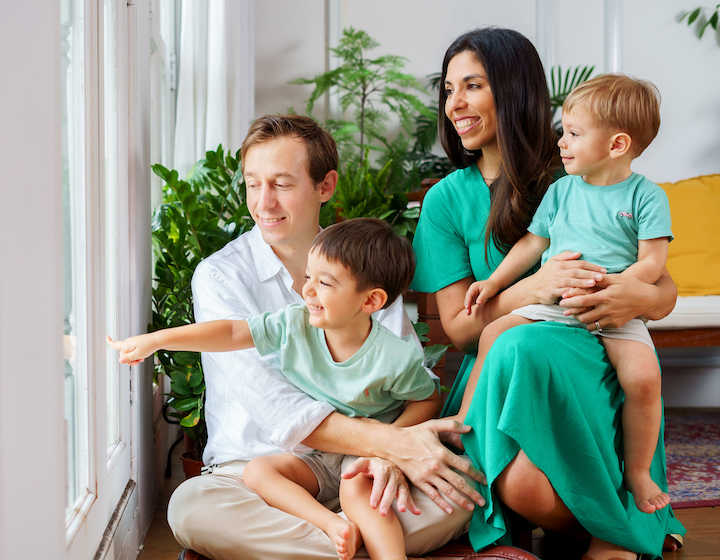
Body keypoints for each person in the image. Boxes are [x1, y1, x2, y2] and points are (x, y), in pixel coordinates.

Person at [159, 114, 497, 560]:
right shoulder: (220, 276)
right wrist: (389, 443)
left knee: (459, 497)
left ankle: (338, 544)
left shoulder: (366, 269)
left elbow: (405, 384)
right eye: (252, 184)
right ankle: (372, 547)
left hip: (364, 470)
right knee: (191, 509)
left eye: (281, 183)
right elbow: (275, 407)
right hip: (257, 477)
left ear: (325, 186)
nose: (264, 202)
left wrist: (387, 457)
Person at [411, 28, 686, 560]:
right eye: (448, 90)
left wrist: (632, 297)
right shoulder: (446, 200)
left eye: (472, 86)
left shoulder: (578, 169)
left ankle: (618, 526)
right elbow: (464, 329)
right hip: (500, 365)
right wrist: (531, 288)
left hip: (589, 357)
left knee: (557, 395)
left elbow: (663, 289)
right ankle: (588, 518)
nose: (455, 104)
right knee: (516, 353)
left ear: (513, 91)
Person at [108, 217, 442, 560]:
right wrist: (156, 340)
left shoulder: (394, 357)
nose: (307, 290)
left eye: (324, 282)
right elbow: (231, 333)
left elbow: (428, 397)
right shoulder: (294, 323)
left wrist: (386, 449)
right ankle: (334, 526)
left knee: (365, 489)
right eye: (308, 276)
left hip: (362, 457)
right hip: (312, 459)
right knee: (258, 472)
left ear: (370, 301)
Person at [457, 74, 672, 516]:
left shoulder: (646, 196)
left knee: (645, 381)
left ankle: (637, 471)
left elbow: (653, 262)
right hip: (553, 305)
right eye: (563, 131)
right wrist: (495, 282)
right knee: (493, 334)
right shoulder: (561, 191)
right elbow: (533, 245)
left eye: (574, 134)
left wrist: (619, 290)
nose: (561, 142)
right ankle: (461, 431)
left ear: (616, 146)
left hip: (615, 309)